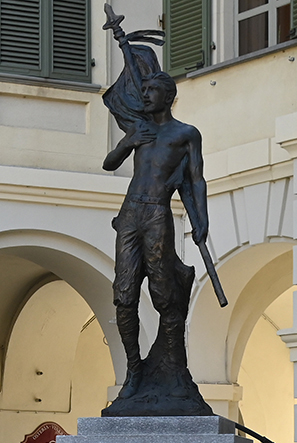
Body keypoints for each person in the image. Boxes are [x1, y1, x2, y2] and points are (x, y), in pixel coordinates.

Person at [100, 48, 212, 416]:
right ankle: (134, 371)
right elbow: (109, 163)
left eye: (151, 91)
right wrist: (129, 141)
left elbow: (196, 180)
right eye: (143, 90)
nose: (144, 95)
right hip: (130, 213)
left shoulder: (185, 134)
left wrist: (201, 221)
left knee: (165, 295)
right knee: (124, 293)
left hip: (157, 213)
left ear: (168, 96)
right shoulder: (139, 130)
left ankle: (172, 369)